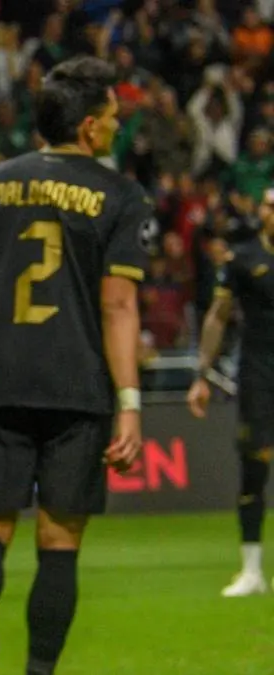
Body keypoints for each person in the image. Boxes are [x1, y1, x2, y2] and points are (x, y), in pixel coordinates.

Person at [0, 56, 154, 675]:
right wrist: (130, 404)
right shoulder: (120, 195)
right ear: (90, 127)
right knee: (60, 544)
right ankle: (39, 671)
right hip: (81, 391)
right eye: (114, 117)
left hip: (5, 381)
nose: (118, 127)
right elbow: (119, 305)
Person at [187, 187, 274, 597]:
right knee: (254, 467)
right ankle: (252, 570)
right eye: (269, 206)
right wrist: (201, 373)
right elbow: (218, 316)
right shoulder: (243, 259)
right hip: (259, 375)